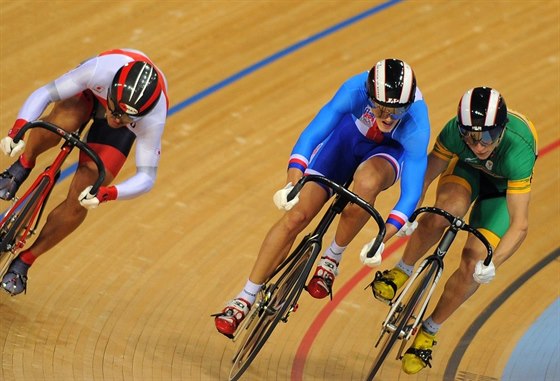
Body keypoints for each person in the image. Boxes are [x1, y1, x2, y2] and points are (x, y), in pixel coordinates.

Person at [213, 58, 431, 338]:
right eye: (380, 108)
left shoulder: (416, 123)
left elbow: (410, 194)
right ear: (368, 95)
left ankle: (331, 258)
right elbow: (314, 133)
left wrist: (382, 240)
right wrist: (293, 183)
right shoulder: (354, 89)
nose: (388, 117)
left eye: (397, 110)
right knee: (297, 216)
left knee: (366, 182)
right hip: (347, 140)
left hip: (385, 155)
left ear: (409, 105)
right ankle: (244, 298)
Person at [371, 87, 537, 374]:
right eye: (471, 137)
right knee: (441, 214)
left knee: (474, 262)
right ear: (461, 130)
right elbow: (425, 178)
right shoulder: (453, 134)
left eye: (488, 136)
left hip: (501, 192)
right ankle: (402, 269)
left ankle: (429, 331)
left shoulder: (518, 149)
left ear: (502, 129)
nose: (480, 145)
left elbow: (519, 224)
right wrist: (409, 211)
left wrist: (492, 263)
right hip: (468, 172)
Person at [0, 48, 169, 296]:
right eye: (117, 111)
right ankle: (23, 164)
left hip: (117, 113)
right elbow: (46, 93)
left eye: (126, 117)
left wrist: (108, 193)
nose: (117, 118)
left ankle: (26, 259)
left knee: (85, 191)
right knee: (61, 123)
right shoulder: (100, 70)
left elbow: (147, 177)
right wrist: (18, 129)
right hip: (90, 94)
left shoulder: (153, 118)